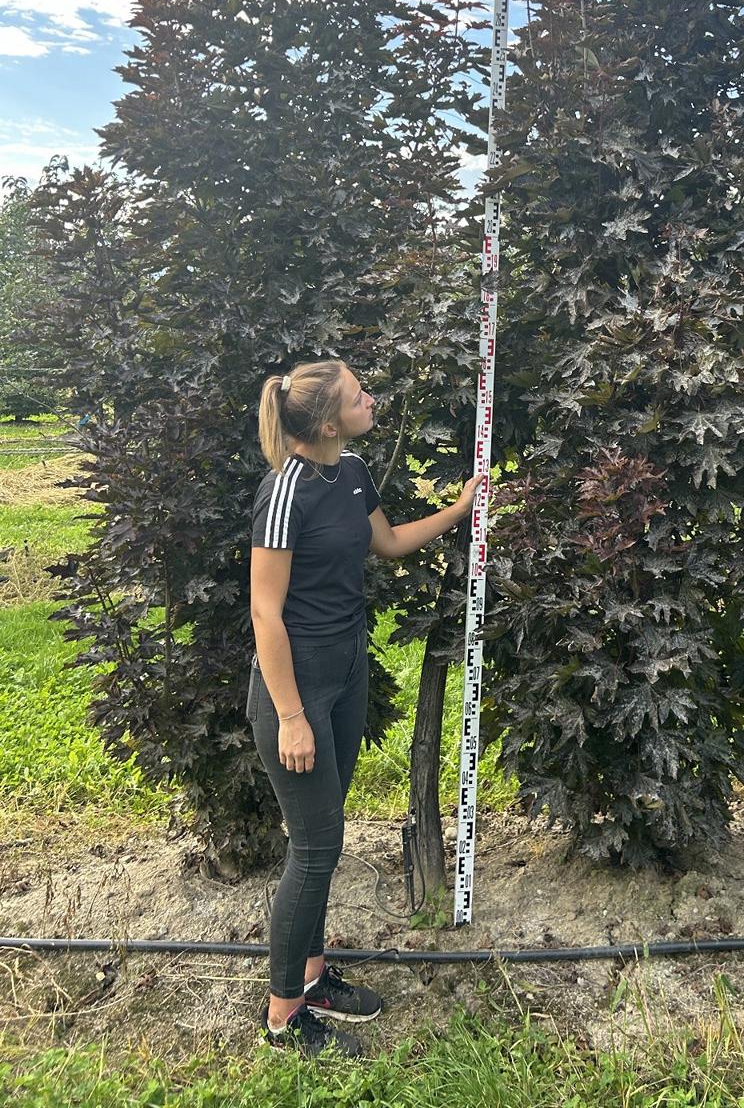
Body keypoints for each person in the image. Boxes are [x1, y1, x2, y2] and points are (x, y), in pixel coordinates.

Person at [248, 357, 483, 1057]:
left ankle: (314, 976)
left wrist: (461, 510)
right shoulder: (284, 490)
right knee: (313, 850)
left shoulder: (349, 472)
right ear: (325, 420)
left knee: (327, 840)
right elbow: (265, 612)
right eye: (359, 396)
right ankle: (283, 1017)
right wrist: (290, 714)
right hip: (295, 688)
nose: (371, 399)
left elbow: (387, 543)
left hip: (347, 674)